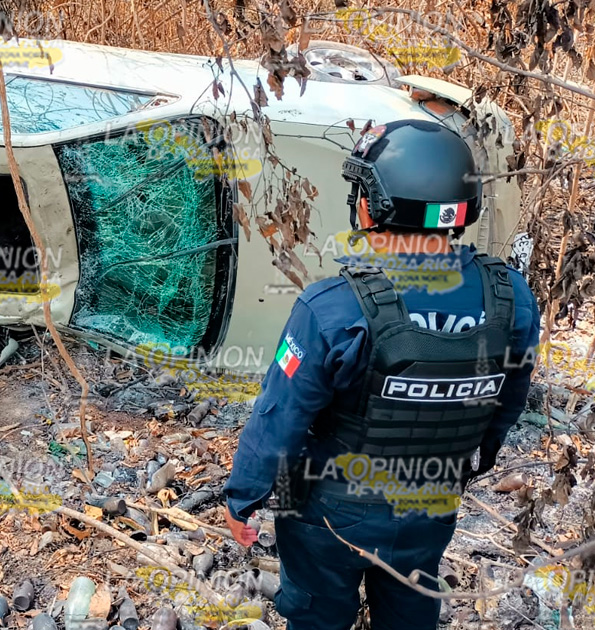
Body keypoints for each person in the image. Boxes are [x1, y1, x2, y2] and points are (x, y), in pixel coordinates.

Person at [222, 119, 541, 629]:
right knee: (411, 607)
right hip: (431, 503)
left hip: (329, 512)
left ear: (375, 206)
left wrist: (244, 497)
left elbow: (279, 415)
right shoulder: (511, 298)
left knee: (317, 615)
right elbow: (509, 399)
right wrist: (473, 458)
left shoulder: (334, 307)